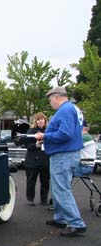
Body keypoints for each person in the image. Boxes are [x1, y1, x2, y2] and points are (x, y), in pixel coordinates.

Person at [35, 86, 86, 237]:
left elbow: (65, 134)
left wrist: (44, 137)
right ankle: (61, 218)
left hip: (64, 155)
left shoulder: (65, 110)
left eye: (50, 99)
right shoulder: (73, 109)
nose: (51, 103)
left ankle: (76, 223)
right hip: (67, 154)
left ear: (57, 97)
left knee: (62, 189)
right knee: (58, 187)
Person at [21, 112, 50, 206]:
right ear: (36, 121)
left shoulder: (49, 131)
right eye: (39, 119)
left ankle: (44, 199)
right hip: (32, 160)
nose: (41, 121)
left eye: (42, 119)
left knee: (45, 181)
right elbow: (26, 145)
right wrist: (36, 145)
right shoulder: (31, 131)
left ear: (45, 121)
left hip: (45, 160)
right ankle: (30, 199)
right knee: (31, 180)